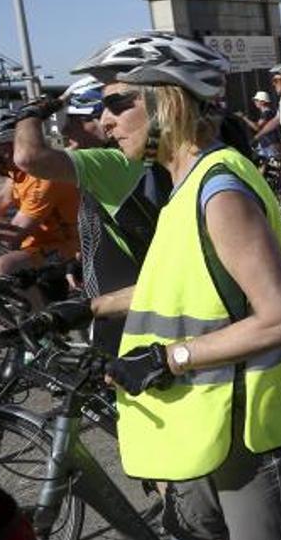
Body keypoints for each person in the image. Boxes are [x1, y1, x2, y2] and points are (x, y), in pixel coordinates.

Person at [53, 31, 281, 540]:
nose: (104, 119)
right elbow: (181, 284)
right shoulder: (183, 185)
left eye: (117, 101)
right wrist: (89, 308)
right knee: (198, 536)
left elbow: (280, 318)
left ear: (166, 99)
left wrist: (168, 358)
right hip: (207, 417)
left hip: (248, 422)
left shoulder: (219, 191)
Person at [12, 77, 167, 354]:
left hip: (121, 312)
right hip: (129, 299)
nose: (67, 129)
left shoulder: (113, 163)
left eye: (76, 120)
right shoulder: (130, 164)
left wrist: (29, 114)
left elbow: (28, 156)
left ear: (102, 121)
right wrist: (74, 264)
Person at [0, 110, 80, 298]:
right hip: (37, 244)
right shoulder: (17, 173)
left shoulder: (43, 176)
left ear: (4, 149)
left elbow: (14, 233)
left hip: (69, 247)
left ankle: (39, 323)